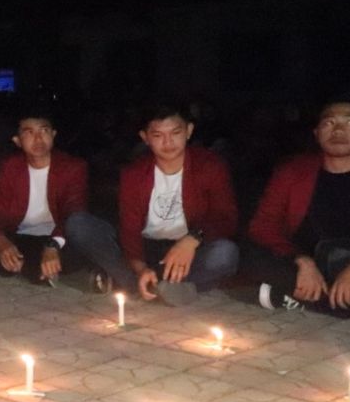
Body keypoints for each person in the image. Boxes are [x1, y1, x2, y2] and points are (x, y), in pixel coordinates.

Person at [67, 103, 239, 305]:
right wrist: (140, 268)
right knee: (79, 224)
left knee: (226, 253)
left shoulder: (210, 166)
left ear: (189, 131)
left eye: (175, 133)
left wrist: (193, 239)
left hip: (187, 248)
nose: (168, 142)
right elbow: (130, 230)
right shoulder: (134, 174)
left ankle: (154, 286)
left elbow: (226, 218)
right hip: (146, 246)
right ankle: (147, 284)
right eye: (158, 135)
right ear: (145, 138)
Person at [245, 97, 350, 319]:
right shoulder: (293, 171)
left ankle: (299, 299)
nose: (338, 130)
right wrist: (301, 260)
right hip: (308, 268)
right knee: (248, 255)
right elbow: (262, 225)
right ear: (317, 133)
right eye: (329, 123)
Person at [0, 111, 88, 283]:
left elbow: (73, 211)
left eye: (44, 131)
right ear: (17, 141)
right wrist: (1, 240)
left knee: (79, 249)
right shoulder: (11, 166)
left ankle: (17, 267)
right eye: (29, 132)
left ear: (53, 135)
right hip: (20, 235)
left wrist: (53, 246)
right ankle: (36, 270)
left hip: (57, 236)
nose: (38, 139)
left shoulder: (72, 167)